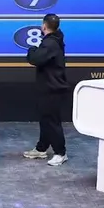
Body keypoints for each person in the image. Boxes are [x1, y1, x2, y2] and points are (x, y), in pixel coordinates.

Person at [23, 13, 70, 166]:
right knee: (45, 120)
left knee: (52, 121)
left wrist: (32, 49)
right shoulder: (55, 40)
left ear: (44, 26)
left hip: (53, 88)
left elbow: (35, 59)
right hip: (48, 87)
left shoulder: (50, 43)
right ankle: (41, 148)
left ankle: (61, 153)